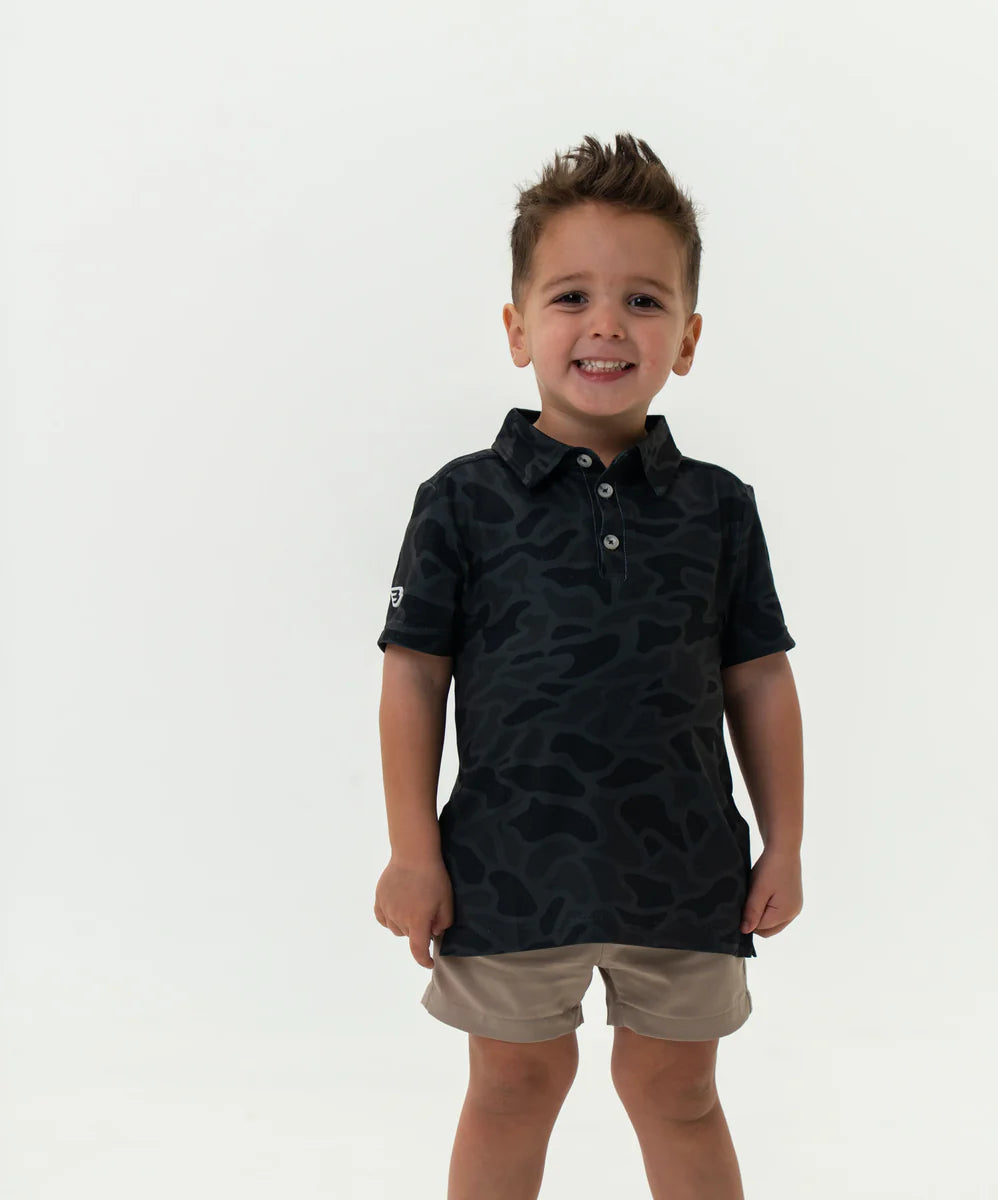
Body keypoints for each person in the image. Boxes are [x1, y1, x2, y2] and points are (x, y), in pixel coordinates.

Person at [374, 132, 805, 1200]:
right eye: (571, 297)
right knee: (513, 1088)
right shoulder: (461, 501)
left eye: (643, 301)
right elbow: (414, 676)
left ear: (687, 338)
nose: (607, 324)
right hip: (508, 867)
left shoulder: (719, 508)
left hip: (685, 870)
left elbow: (759, 678)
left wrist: (786, 842)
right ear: (518, 327)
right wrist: (413, 852)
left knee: (679, 1092)